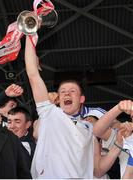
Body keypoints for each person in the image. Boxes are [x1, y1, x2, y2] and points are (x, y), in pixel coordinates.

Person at [24, 36, 133, 179]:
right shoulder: (49, 113)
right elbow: (33, 74)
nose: (66, 94)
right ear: (58, 98)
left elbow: (98, 171)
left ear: (81, 99)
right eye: (62, 92)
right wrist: (30, 35)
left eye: (72, 91)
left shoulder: (89, 127)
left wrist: (118, 144)